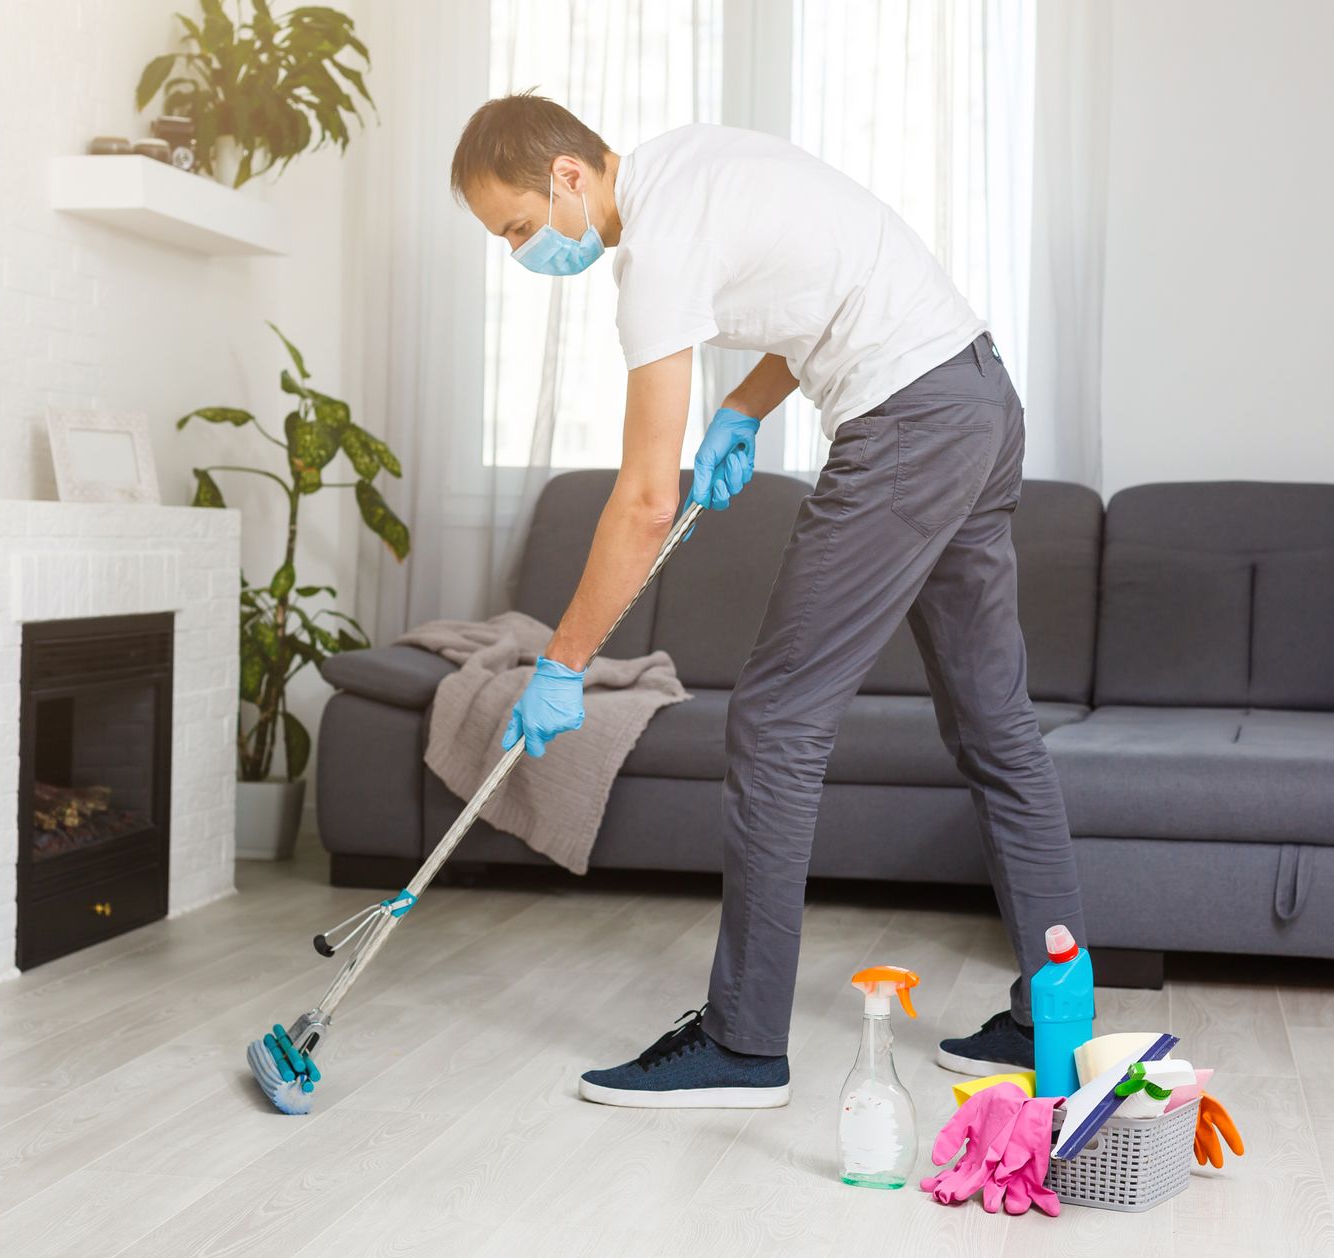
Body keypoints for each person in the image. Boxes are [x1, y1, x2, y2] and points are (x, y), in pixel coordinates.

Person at [451, 93, 1085, 1107]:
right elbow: (821, 292)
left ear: (568, 175)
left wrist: (562, 661)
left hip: (910, 422)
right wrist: (742, 411)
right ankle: (1057, 1016)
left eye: (518, 226)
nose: (523, 251)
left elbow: (645, 500)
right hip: (976, 395)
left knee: (779, 717)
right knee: (994, 721)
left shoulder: (652, 254)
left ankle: (743, 1041)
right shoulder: (691, 163)